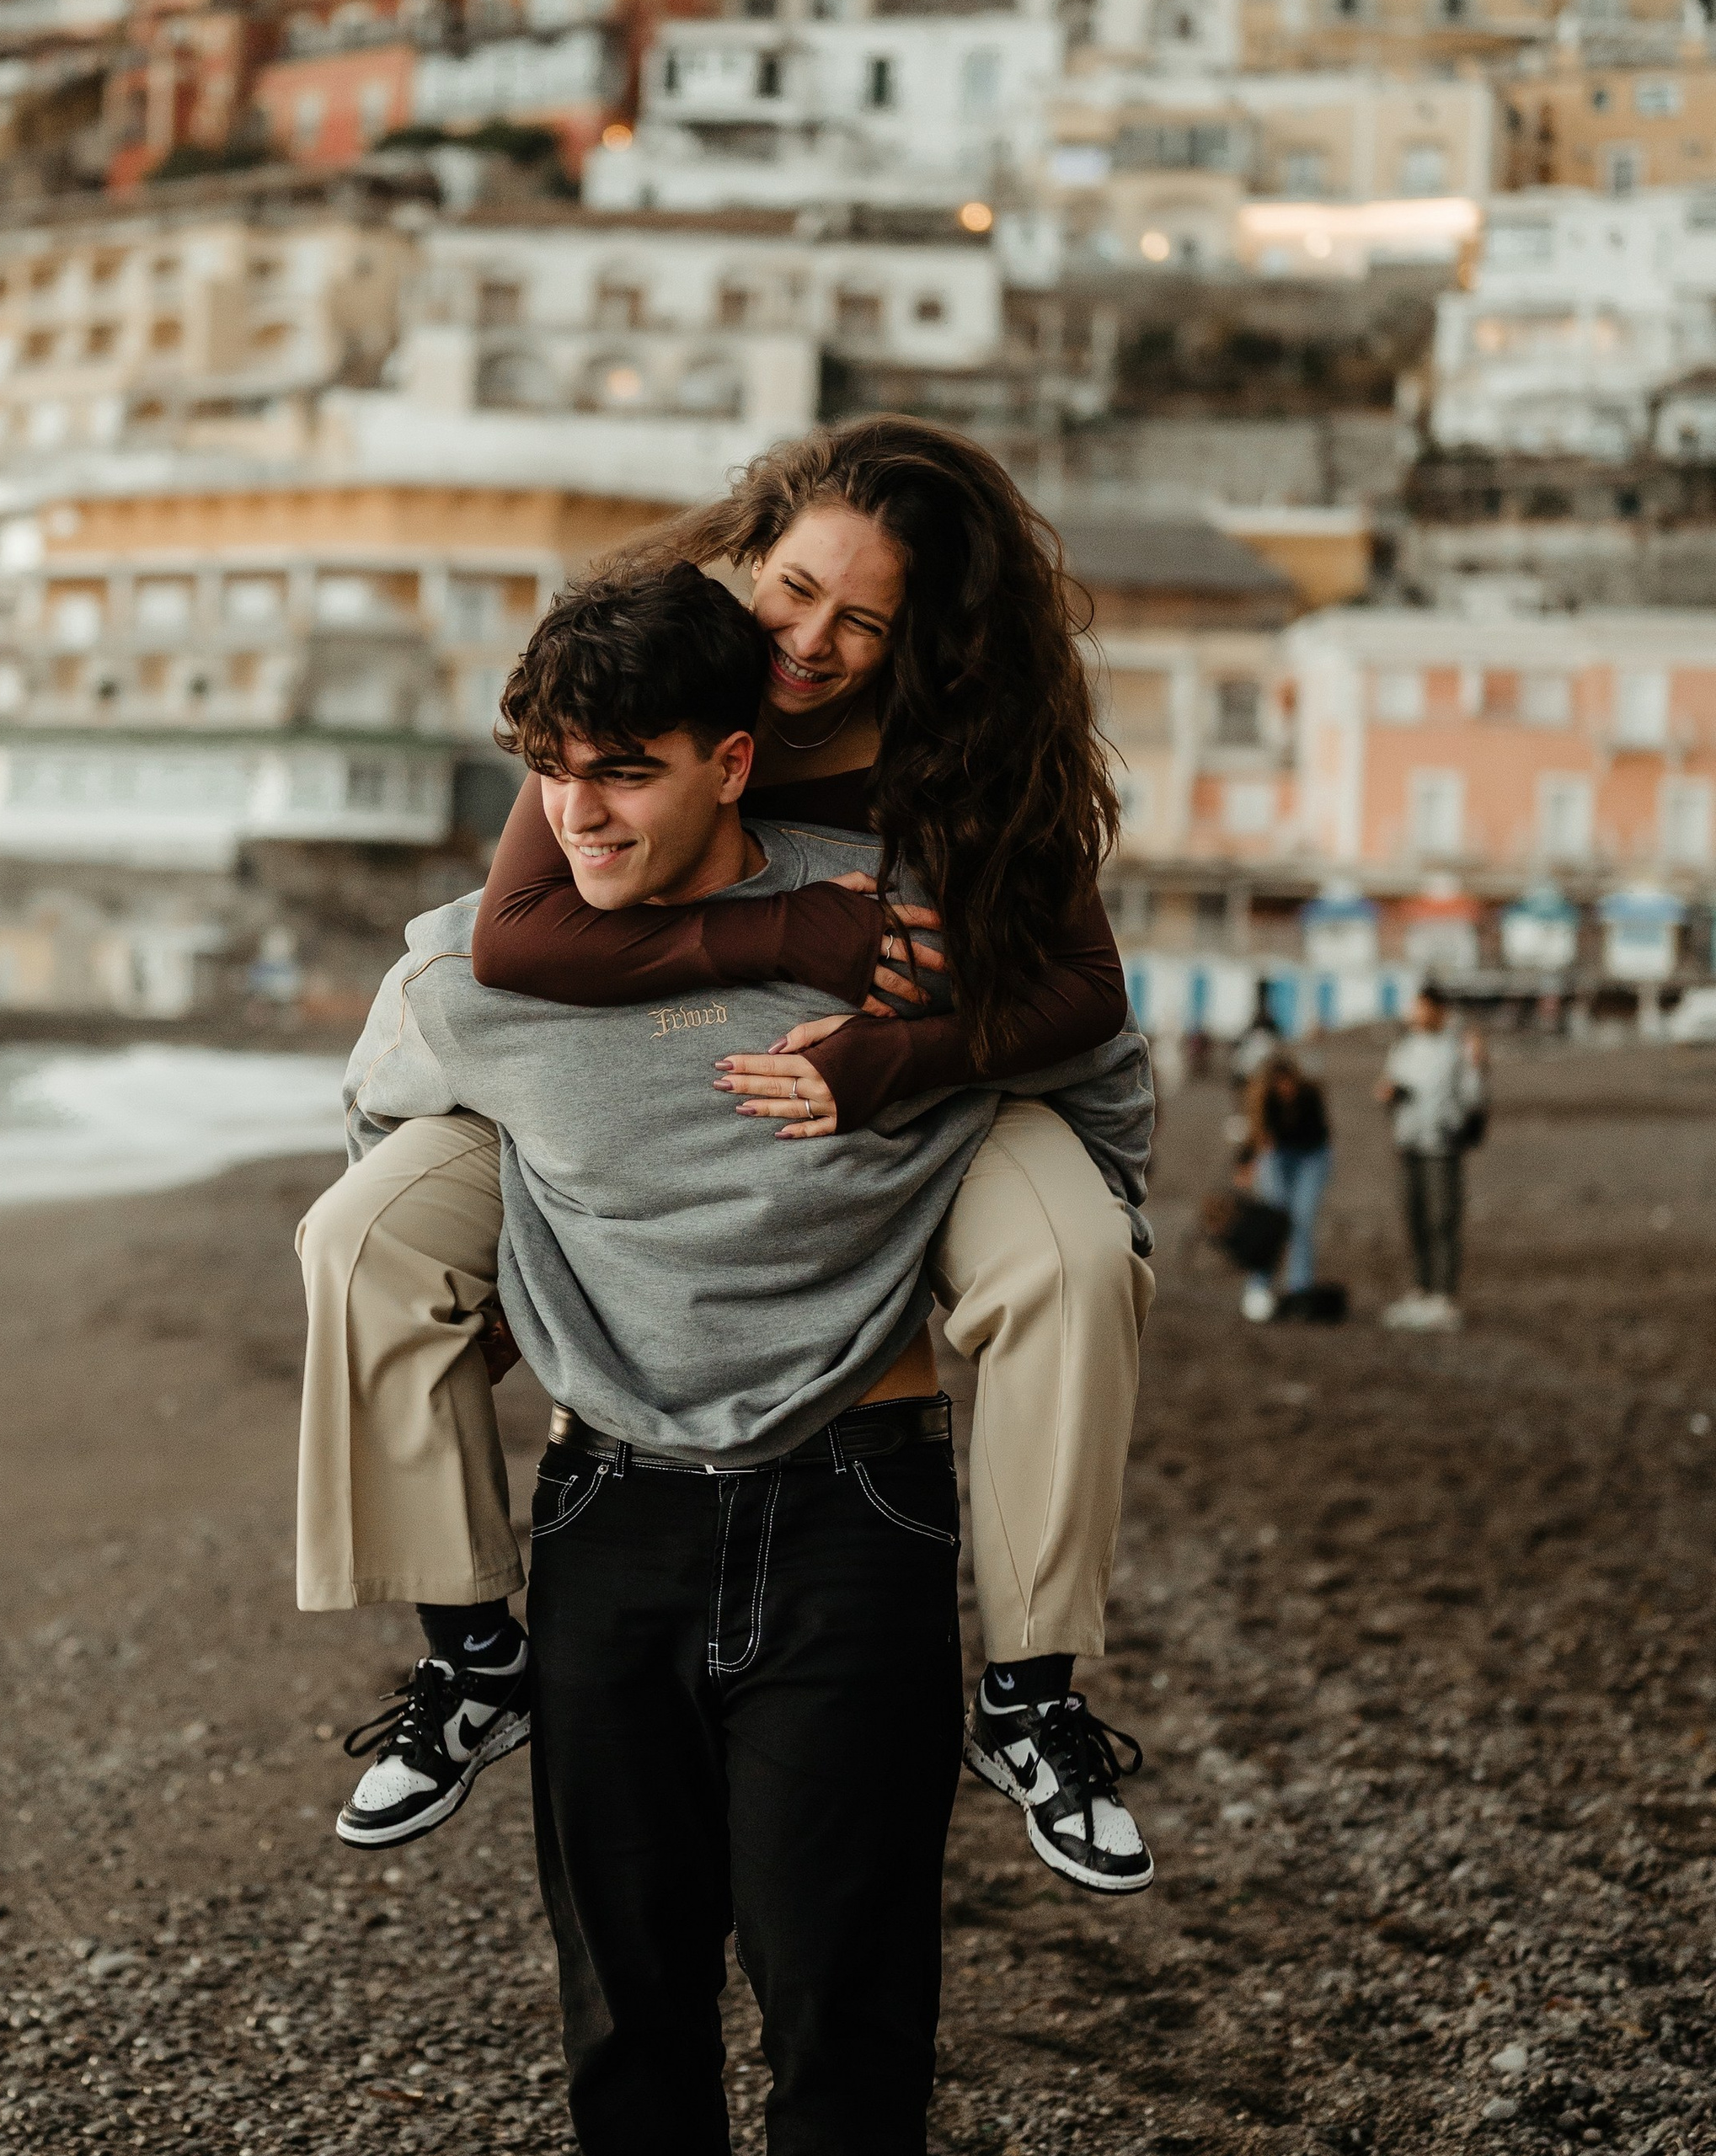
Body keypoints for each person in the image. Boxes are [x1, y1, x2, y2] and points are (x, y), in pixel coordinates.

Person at [333, 564, 1156, 2153]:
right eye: (553, 772)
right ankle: (462, 1653)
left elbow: (1096, 1076)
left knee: (847, 2036)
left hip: (859, 1519)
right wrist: (495, 1266)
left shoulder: (902, 925)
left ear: (735, 758)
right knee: (629, 2033)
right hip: (606, 1520)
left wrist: (921, 1072)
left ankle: (1036, 1691)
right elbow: (377, 1131)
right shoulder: (475, 967)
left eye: (626, 769)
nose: (579, 812)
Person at [1375, 986, 1488, 1332]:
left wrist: (1478, 1065)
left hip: (1442, 1145)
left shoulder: (1457, 1048)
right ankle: (1421, 1290)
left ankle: (1444, 1296)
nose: (1415, 1014)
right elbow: (1389, 1087)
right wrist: (1390, 1094)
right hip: (1408, 1143)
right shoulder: (1404, 1047)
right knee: (1415, 1218)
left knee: (1443, 1219)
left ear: (1438, 1010)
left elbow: (1473, 1095)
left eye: (1422, 1008)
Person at [1238, 1050, 1333, 1323]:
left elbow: (1314, 1134)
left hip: (1311, 1157)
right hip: (1278, 1157)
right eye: (1279, 1084)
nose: (1285, 1089)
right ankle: (1259, 1286)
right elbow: (1256, 1133)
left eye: (1288, 1082)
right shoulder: (1264, 1099)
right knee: (1272, 1221)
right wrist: (1246, 1163)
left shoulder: (1310, 1095)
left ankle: (1299, 1289)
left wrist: (1274, 1137)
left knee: (1301, 1219)